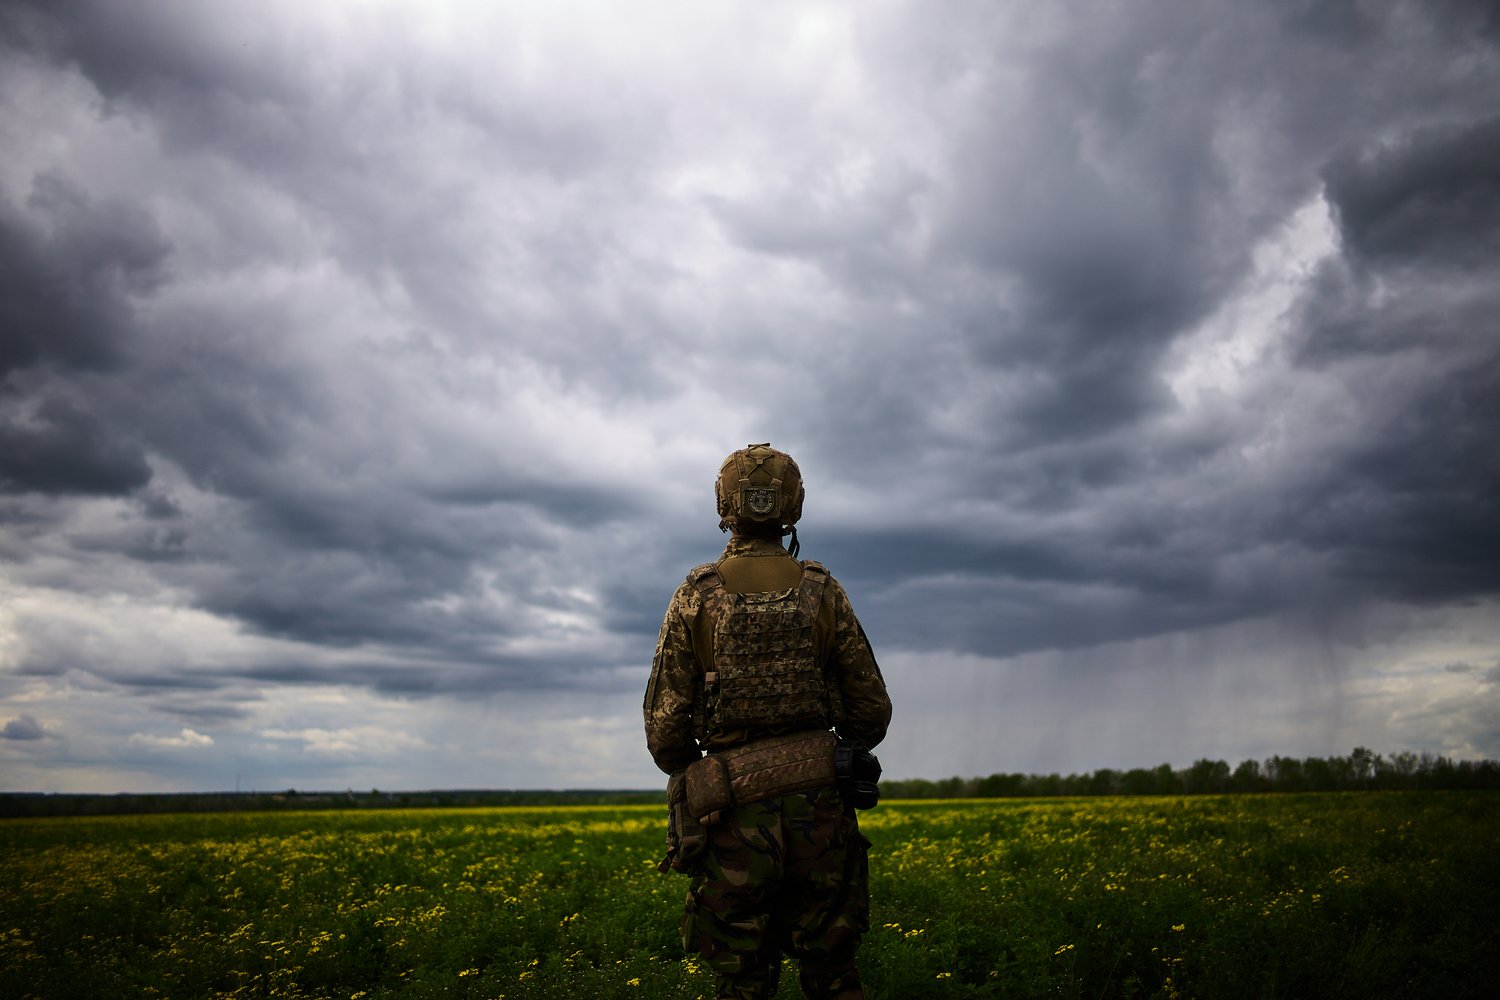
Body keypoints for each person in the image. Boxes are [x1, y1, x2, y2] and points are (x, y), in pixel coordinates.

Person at [643, 443, 893, 1000]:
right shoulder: (824, 592)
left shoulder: (695, 597)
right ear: (793, 506)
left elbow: (665, 734)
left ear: (723, 503)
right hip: (823, 816)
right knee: (832, 974)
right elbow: (872, 711)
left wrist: (709, 772)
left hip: (731, 820)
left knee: (742, 979)